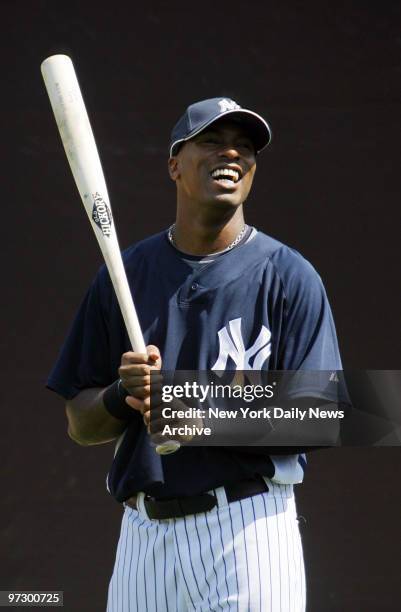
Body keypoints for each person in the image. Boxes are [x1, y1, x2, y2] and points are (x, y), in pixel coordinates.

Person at [47, 97, 344, 611]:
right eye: (212, 141)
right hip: (145, 532)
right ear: (174, 165)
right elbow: (80, 422)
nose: (231, 153)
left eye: (245, 146)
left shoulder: (290, 275)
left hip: (248, 528)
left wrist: (196, 413)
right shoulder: (127, 273)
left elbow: (324, 414)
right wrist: (124, 395)